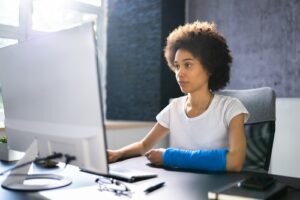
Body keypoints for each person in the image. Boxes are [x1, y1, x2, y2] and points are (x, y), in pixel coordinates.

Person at [108, 21, 249, 172]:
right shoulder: (174, 107)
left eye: (187, 65)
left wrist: (170, 157)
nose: (179, 73)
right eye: (177, 66)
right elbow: (144, 146)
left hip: (216, 190)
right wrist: (117, 154)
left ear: (209, 68)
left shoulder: (231, 108)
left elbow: (235, 161)